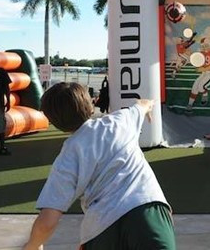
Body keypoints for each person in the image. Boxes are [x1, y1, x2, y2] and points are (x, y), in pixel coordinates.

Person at [23, 83, 175, 250]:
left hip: (101, 227)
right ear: (91, 106)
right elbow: (143, 104)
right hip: (146, 210)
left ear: (54, 121)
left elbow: (48, 220)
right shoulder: (120, 121)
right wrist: (149, 106)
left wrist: (32, 245)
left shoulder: (67, 156)